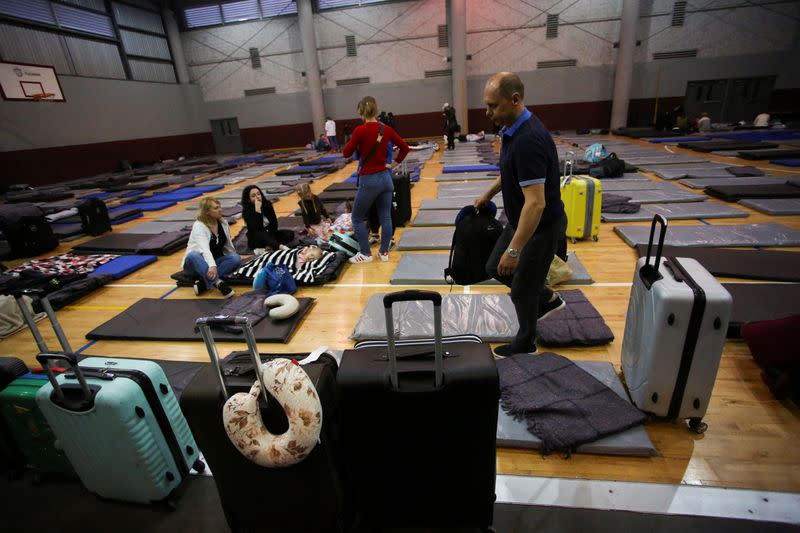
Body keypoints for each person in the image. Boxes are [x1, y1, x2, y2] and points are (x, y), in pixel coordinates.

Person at [475, 72, 567, 357]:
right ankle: (547, 299)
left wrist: (514, 250)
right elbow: (510, 172)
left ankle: (526, 343)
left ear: (515, 100)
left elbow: (536, 204)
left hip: (540, 227)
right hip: (519, 221)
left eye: (493, 106)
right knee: (493, 267)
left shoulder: (528, 140)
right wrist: (488, 194)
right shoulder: (511, 130)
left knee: (520, 289)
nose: (488, 113)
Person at [343, 95, 409, 264]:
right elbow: (404, 147)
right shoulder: (385, 129)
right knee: (385, 216)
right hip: (386, 178)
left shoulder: (360, 130)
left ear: (361, 111)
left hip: (369, 180)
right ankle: (384, 252)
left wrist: (356, 143)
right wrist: (393, 164)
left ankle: (365, 253)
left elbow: (346, 153)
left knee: (357, 218)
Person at [183, 197, 240, 298]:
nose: (220, 210)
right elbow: (204, 249)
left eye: (219, 207)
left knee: (235, 258)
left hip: (213, 261)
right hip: (194, 264)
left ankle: (203, 284)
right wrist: (212, 266)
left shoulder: (223, 223)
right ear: (207, 211)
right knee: (193, 255)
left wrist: (232, 258)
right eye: (216, 208)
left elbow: (228, 245)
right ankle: (218, 283)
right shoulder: (199, 225)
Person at [240, 185, 294, 255]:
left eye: (258, 194)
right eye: (253, 196)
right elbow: (257, 229)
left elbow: (274, 223)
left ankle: (268, 247)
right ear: (248, 200)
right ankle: (278, 246)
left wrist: (272, 236)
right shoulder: (247, 211)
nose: (257, 197)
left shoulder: (267, 204)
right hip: (257, 238)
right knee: (262, 234)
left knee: (289, 234)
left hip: (270, 233)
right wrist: (258, 210)